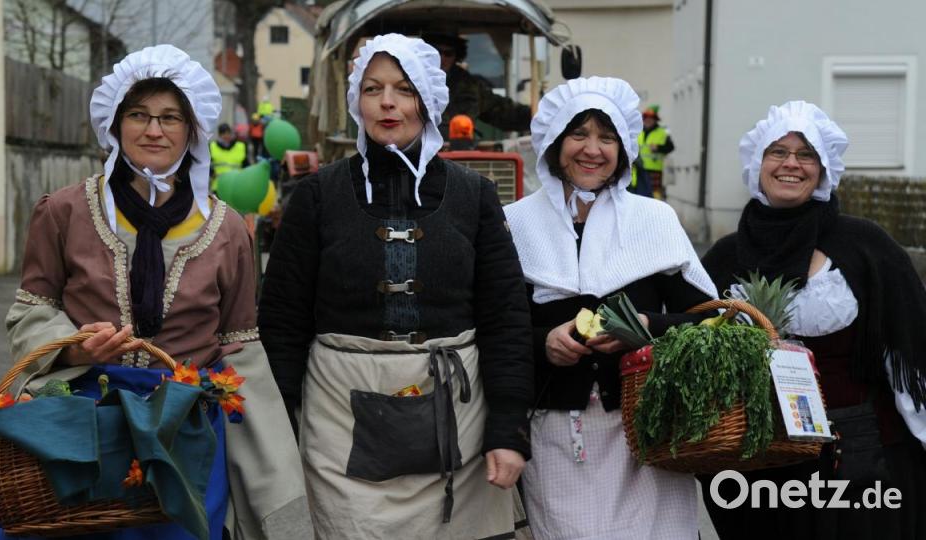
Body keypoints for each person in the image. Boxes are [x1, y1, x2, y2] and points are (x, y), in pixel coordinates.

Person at [0, 45, 310, 539]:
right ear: (115, 124)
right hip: (84, 428)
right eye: (138, 115)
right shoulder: (64, 212)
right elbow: (31, 312)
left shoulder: (228, 230)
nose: (154, 130)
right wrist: (75, 349)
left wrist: (272, 476)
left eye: (171, 117)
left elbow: (240, 348)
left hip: (186, 432)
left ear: (192, 129)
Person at [257, 33, 533, 539]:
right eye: (373, 89)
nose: (387, 102)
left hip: (460, 426)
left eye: (404, 89)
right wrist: (279, 435)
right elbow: (282, 323)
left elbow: (507, 320)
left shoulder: (474, 196)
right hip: (337, 424)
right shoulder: (317, 197)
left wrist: (508, 430)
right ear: (356, 102)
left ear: (427, 102)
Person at [699, 101, 926, 539]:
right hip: (758, 466)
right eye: (778, 152)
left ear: (823, 169)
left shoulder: (866, 247)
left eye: (806, 155)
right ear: (758, 163)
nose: (791, 164)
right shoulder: (725, 257)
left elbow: (910, 354)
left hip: (857, 463)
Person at [503, 77, 718, 539]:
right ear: (554, 143)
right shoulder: (516, 223)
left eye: (607, 137)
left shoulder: (654, 220)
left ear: (623, 150)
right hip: (557, 438)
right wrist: (545, 343)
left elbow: (710, 321)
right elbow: (498, 329)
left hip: (647, 433)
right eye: (578, 134)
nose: (592, 149)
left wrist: (646, 325)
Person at [424, 32, 532, 137]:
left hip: (458, 146)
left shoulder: (467, 85)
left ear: (456, 56)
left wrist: (535, 116)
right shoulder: (415, 82)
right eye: (436, 52)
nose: (442, 58)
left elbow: (502, 111)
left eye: (448, 53)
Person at [637, 104, 674, 199]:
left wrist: (658, 148)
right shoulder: (638, 132)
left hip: (654, 169)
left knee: (655, 194)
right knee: (640, 194)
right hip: (639, 168)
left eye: (650, 119)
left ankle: (657, 207)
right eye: (646, 119)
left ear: (655, 120)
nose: (648, 121)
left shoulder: (662, 132)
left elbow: (670, 147)